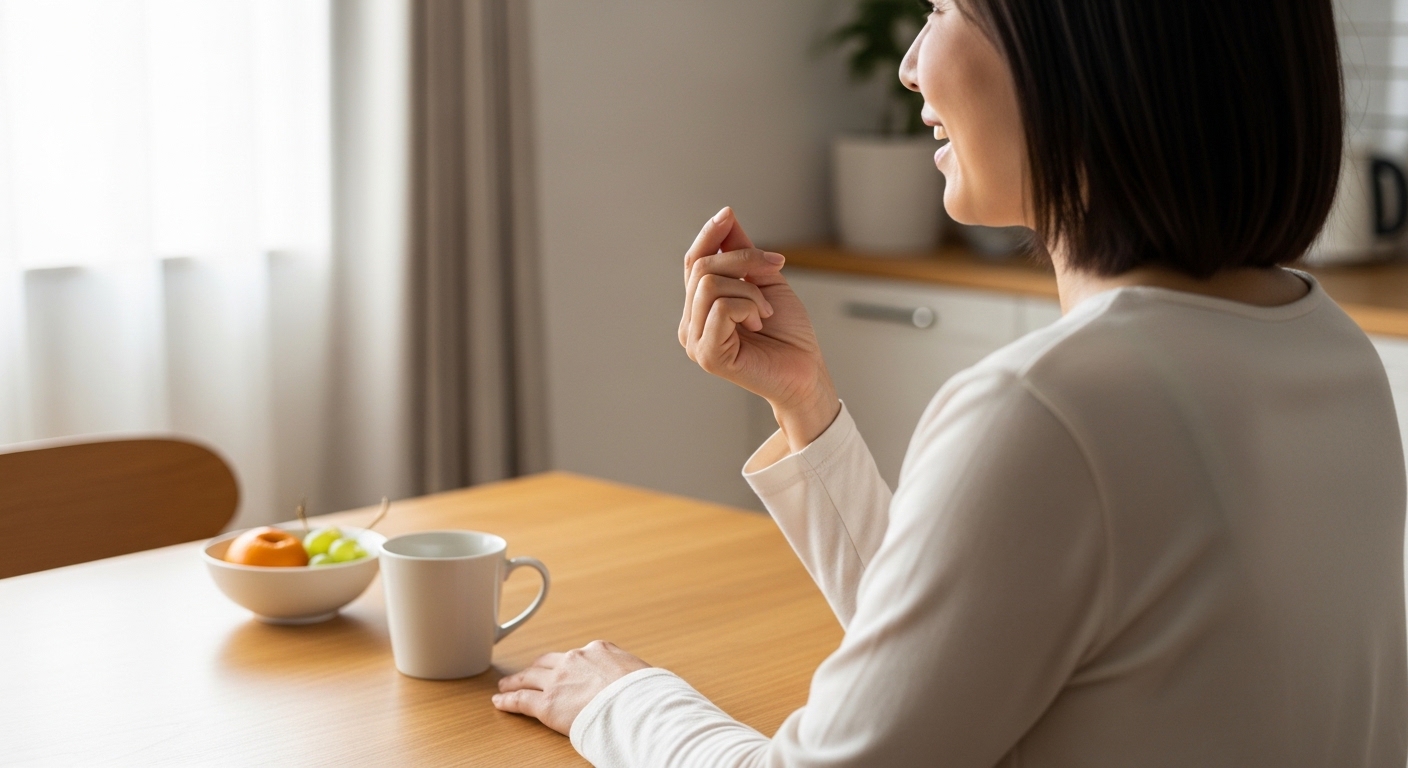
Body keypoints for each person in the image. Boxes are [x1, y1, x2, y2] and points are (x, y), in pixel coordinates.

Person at [494, 0, 1408, 764]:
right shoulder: (1327, 349)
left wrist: (621, 699)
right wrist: (807, 408)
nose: (909, 65)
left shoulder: (1055, 408)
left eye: (940, 8)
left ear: (1080, 48)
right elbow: (963, 658)